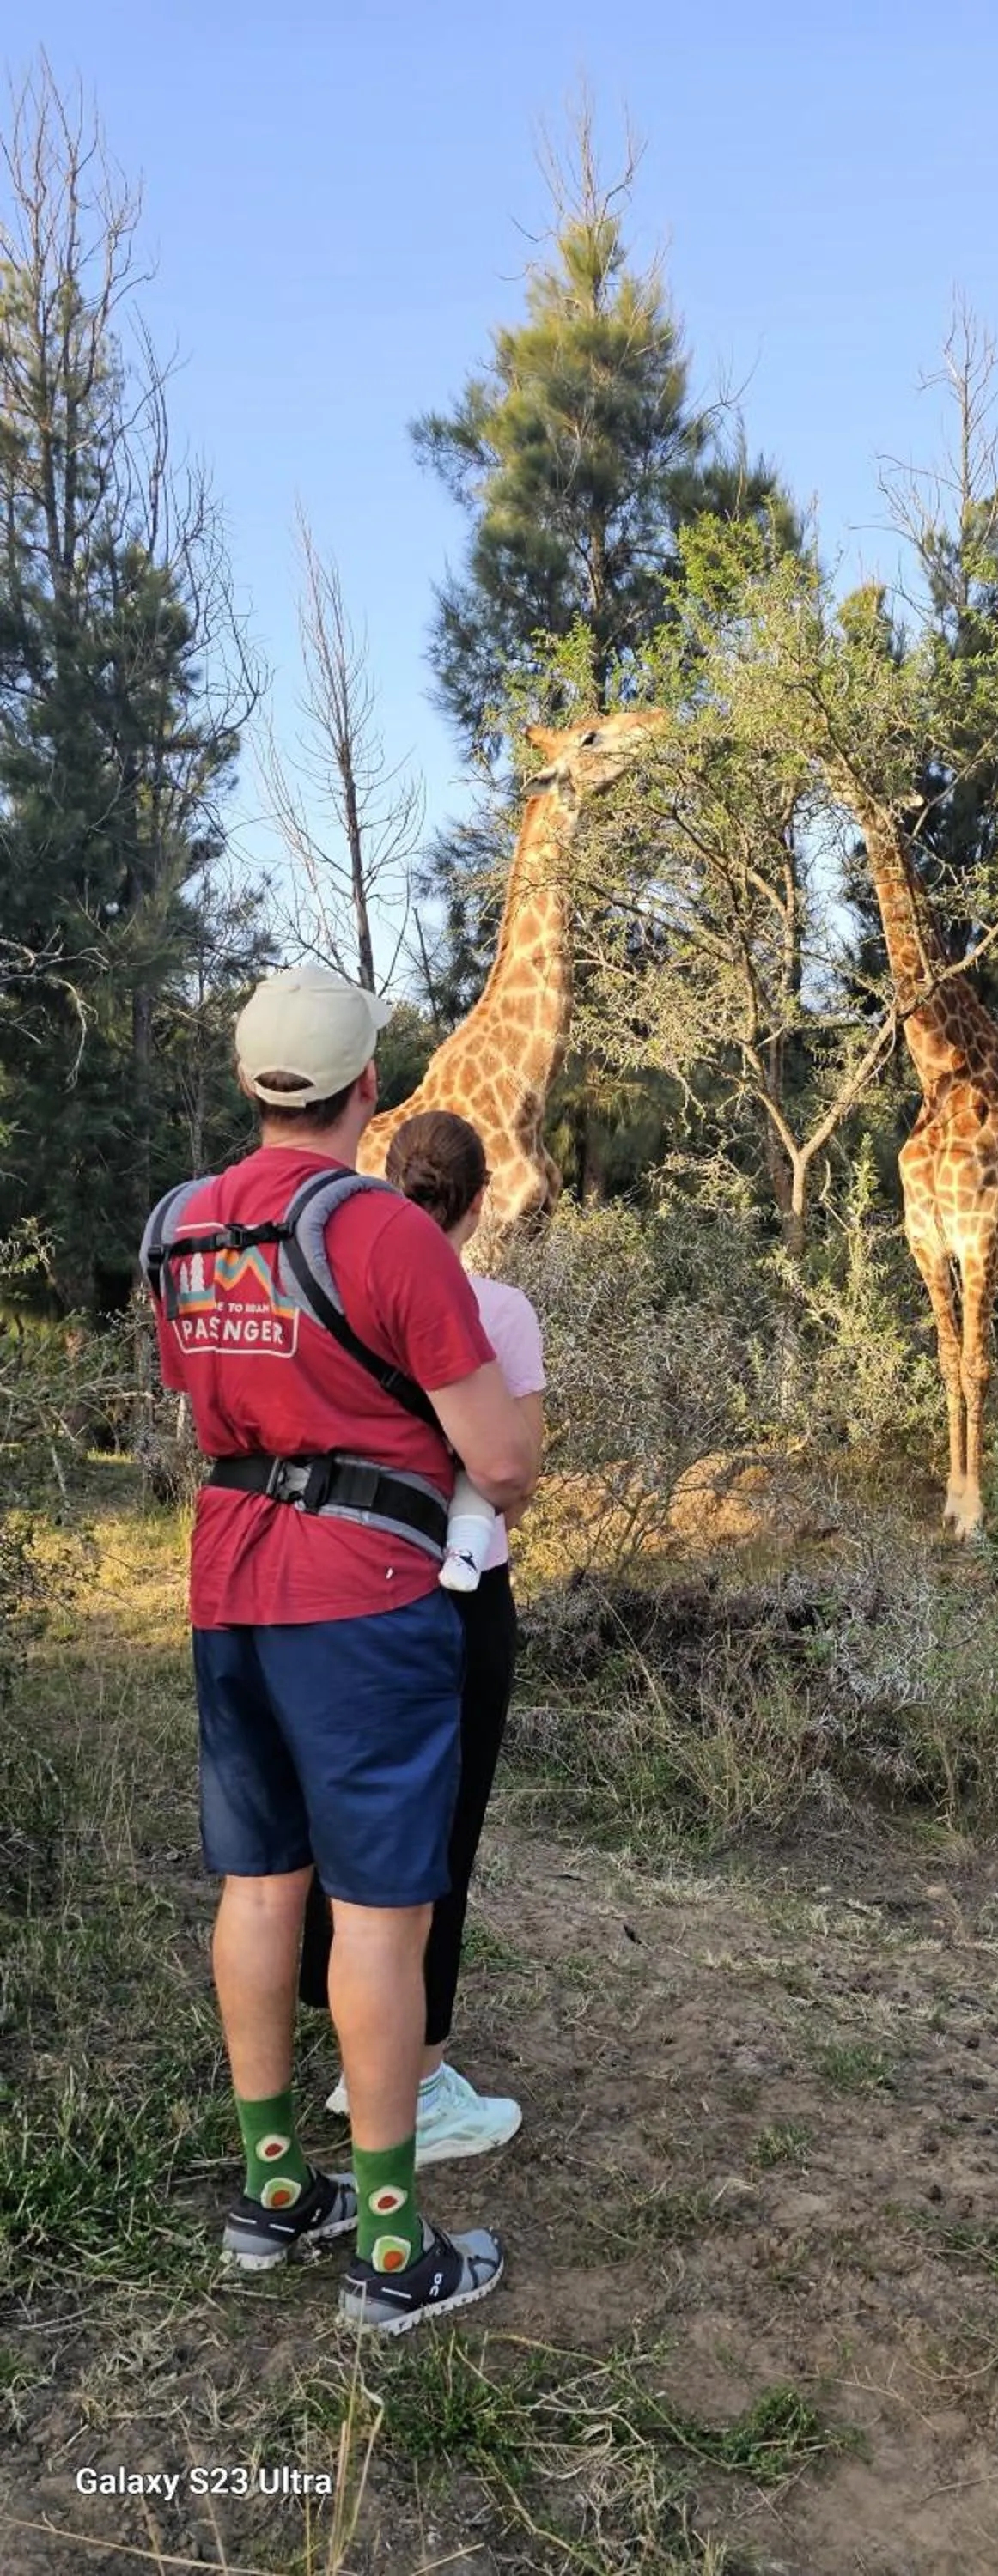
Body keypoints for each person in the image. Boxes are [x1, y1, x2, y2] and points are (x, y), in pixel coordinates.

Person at [140, 964, 539, 2335]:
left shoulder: (179, 1226)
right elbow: (500, 1455)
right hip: (363, 1601)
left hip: (226, 1581)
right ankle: (389, 2249)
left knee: (259, 1889)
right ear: (370, 1088)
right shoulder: (384, 1234)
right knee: (379, 1915)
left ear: (252, 1084)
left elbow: (198, 1390)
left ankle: (271, 2194)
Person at [315, 1109, 545, 2163]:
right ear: (482, 1197)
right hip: (456, 1600)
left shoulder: (346, 1291)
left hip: (341, 1582)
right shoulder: (496, 1306)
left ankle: (350, 2065)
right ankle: (421, 2077)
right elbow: (511, 1479)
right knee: (438, 1842)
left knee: (347, 1831)